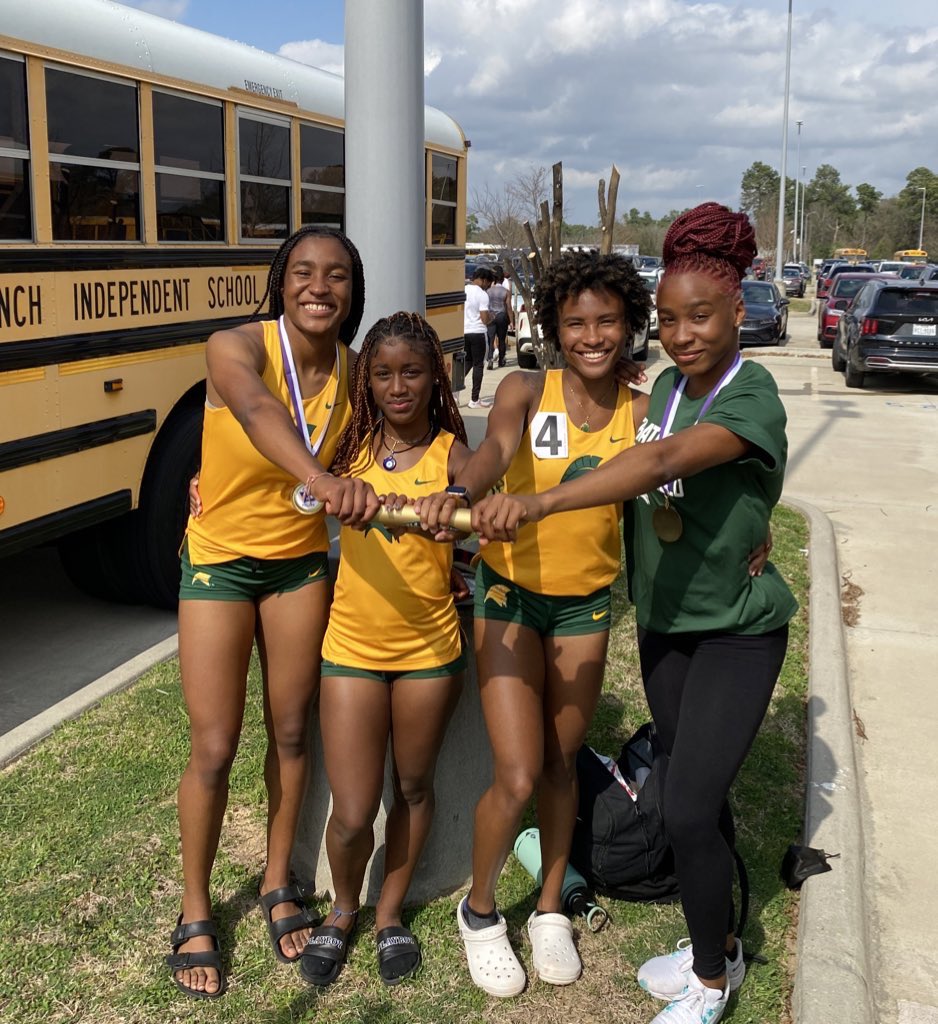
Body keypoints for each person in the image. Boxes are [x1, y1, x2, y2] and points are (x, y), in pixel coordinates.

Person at [467, 203, 798, 1024]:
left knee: (675, 801)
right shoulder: (668, 393)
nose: (682, 333)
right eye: (671, 318)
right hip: (658, 626)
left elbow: (657, 466)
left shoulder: (720, 396)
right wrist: (458, 494)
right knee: (686, 793)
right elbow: (502, 452)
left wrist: (539, 506)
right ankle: (694, 939)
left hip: (715, 629)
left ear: (737, 311)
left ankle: (710, 979)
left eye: (701, 317)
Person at [417, 250, 652, 997]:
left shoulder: (643, 411)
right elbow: (494, 453)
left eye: (607, 320)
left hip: (586, 605)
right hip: (510, 598)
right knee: (516, 772)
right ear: (552, 325)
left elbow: (672, 487)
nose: (592, 335)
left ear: (629, 325)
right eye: (576, 321)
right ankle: (480, 912)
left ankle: (550, 905)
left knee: (559, 766)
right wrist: (463, 491)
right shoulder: (524, 388)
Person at [166, 226, 381, 1000]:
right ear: (280, 281)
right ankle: (194, 907)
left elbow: (411, 435)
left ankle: (276, 880)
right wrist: (321, 480)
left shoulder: (359, 371)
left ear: (353, 291)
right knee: (216, 742)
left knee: (292, 730)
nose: (319, 287)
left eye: (336, 276)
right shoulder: (235, 345)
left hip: (297, 566)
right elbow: (256, 411)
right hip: (221, 561)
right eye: (303, 273)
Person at [297, 312, 472, 988]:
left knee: (414, 786)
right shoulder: (350, 448)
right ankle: (344, 909)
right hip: (352, 649)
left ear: (435, 377)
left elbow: (485, 491)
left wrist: (455, 499)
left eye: (413, 372)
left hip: (429, 650)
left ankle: (390, 913)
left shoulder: (452, 452)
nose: (399, 386)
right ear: (366, 380)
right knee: (350, 809)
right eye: (384, 373)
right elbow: (296, 488)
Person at [464, 266, 494, 408]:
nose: (488, 287)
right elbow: (484, 318)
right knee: (478, 365)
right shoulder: (482, 295)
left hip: (464, 331)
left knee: (467, 362)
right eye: (488, 283)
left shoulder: (463, 290)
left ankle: (451, 391)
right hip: (477, 332)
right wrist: (490, 318)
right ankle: (474, 399)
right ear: (483, 280)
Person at [485, 267, 513, 370]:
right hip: (502, 315)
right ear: (502, 279)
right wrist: (511, 321)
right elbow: (508, 306)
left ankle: (490, 359)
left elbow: (486, 305)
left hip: (491, 315)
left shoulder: (488, 291)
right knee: (501, 339)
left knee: (490, 338)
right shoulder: (506, 291)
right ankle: (501, 360)